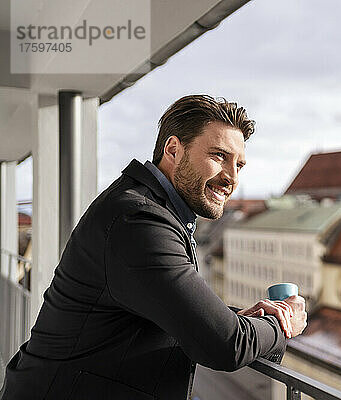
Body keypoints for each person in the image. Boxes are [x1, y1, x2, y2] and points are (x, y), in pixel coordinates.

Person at [0, 95, 307, 400]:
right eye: (218, 156)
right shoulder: (139, 220)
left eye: (239, 164)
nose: (232, 176)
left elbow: (168, 303)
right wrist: (281, 323)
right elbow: (225, 345)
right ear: (173, 150)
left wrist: (239, 318)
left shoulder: (152, 210)